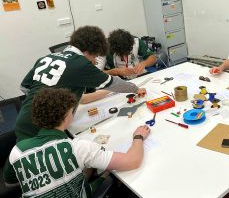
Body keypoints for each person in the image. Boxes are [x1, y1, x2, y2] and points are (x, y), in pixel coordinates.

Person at [4, 88, 150, 197]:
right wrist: (138, 137)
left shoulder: (17, 150)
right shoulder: (79, 147)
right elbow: (133, 161)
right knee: (110, 173)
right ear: (67, 115)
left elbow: (10, 183)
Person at [14, 25, 146, 141]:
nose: (94, 61)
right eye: (94, 57)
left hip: (24, 120)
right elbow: (112, 83)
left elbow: (24, 87)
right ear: (89, 51)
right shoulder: (80, 64)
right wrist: (135, 89)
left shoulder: (45, 58)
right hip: (41, 129)